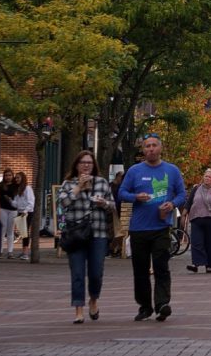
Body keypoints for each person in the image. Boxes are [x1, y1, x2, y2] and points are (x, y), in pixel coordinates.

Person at [119, 133, 187, 322]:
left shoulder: (172, 171)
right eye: (147, 146)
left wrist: (172, 204)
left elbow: (182, 194)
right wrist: (135, 197)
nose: (151, 149)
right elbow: (122, 192)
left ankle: (162, 304)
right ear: (143, 150)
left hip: (161, 227)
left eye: (154, 145)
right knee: (140, 270)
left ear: (160, 148)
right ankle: (145, 306)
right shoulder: (134, 171)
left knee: (161, 266)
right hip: (139, 228)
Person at [58, 150, 113, 323]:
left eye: (89, 162)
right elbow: (63, 203)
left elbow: (113, 206)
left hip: (98, 233)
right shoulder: (68, 183)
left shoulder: (102, 183)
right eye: (82, 162)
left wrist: (104, 203)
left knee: (96, 272)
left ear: (94, 165)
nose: (86, 165)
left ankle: (93, 300)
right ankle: (78, 310)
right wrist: (78, 188)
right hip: (76, 234)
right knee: (77, 272)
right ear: (76, 165)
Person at [12, 172, 34, 260]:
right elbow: (16, 203)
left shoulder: (27, 188)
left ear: (23, 178)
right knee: (22, 232)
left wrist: (26, 211)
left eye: (18, 178)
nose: (17, 179)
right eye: (16, 178)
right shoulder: (18, 189)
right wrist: (10, 201)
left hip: (27, 212)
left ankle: (26, 253)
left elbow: (31, 201)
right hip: (20, 211)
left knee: (25, 232)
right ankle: (24, 251)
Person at [0, 168, 19, 259]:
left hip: (13, 209)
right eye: (6, 175)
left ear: (12, 176)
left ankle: (10, 251)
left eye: (10, 175)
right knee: (3, 229)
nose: (8, 177)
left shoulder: (15, 186)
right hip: (3, 208)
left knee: (10, 230)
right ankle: (0, 250)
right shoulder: (1, 185)